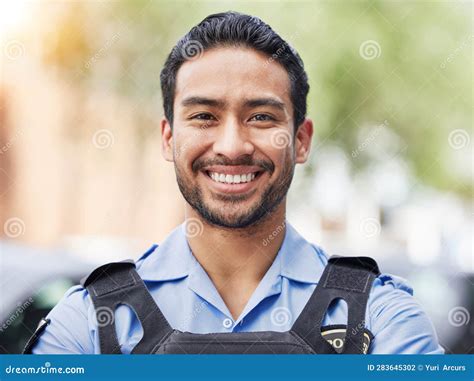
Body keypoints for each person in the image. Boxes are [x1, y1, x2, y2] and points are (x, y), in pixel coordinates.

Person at [26, 11, 443, 354]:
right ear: (169, 139)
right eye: (204, 116)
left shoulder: (383, 320)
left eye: (261, 117)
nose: (231, 146)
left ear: (301, 140)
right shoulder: (87, 326)